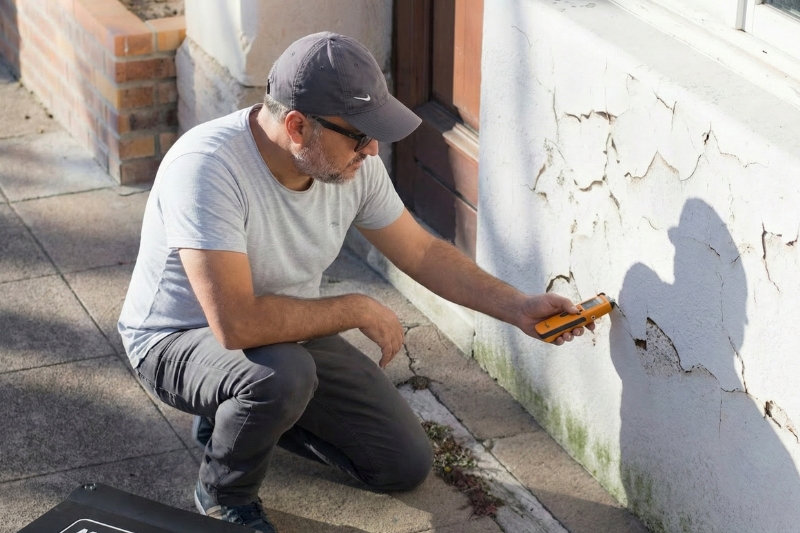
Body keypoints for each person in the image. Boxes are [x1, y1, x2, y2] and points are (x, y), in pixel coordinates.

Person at [118, 31, 592, 532]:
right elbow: (237, 324)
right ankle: (223, 493)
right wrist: (356, 308)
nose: (372, 149)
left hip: (282, 334)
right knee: (281, 377)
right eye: (359, 135)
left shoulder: (350, 164)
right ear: (297, 126)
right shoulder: (207, 168)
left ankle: (230, 416)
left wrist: (516, 307)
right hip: (178, 339)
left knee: (402, 464)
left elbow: (422, 251)